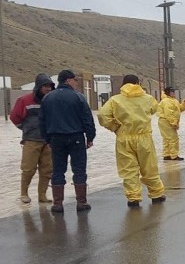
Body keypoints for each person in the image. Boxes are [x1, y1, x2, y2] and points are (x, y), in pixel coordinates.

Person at [97, 74, 166, 208]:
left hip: (124, 137)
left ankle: (133, 197)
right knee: (149, 166)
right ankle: (156, 194)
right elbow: (154, 108)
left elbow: (102, 115)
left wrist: (114, 126)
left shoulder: (115, 100)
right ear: (138, 83)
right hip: (144, 136)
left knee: (128, 169)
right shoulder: (147, 98)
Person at [39, 69, 96, 213]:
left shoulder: (47, 98)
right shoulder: (79, 97)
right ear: (68, 80)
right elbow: (87, 119)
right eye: (75, 80)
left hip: (56, 138)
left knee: (58, 170)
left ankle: (57, 204)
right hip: (76, 137)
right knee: (79, 169)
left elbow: (42, 122)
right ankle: (81, 202)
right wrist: (90, 137)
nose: (76, 83)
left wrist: (47, 140)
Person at [10, 73, 55, 204]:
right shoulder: (24, 100)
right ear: (38, 86)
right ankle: (24, 193)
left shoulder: (52, 101)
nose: (48, 89)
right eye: (45, 86)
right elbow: (14, 117)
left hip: (48, 141)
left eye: (50, 86)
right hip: (31, 140)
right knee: (28, 168)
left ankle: (42, 196)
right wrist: (25, 129)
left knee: (47, 169)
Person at [157, 86, 185, 161]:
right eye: (172, 92)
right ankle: (174, 155)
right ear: (168, 93)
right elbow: (168, 113)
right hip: (166, 121)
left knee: (167, 139)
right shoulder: (166, 101)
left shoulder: (173, 100)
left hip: (166, 121)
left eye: (174, 91)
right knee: (173, 138)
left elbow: (179, 109)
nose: (174, 93)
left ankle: (167, 154)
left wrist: (184, 104)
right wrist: (173, 122)